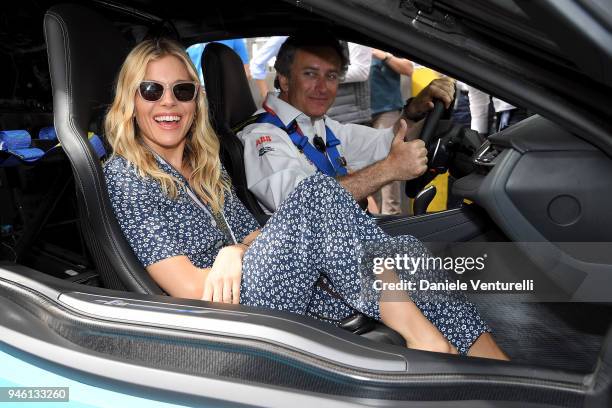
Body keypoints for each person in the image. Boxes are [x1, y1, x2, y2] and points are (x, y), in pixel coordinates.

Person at [103, 37, 508, 360]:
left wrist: (232, 252)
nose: (168, 102)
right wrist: (233, 256)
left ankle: (495, 368)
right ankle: (426, 341)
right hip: (224, 312)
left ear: (196, 100)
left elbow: (254, 236)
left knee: (405, 253)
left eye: (183, 90)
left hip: (259, 280)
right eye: (151, 90)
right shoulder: (127, 175)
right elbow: (189, 289)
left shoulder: (205, 164)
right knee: (316, 192)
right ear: (131, 100)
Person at [238, 32, 454, 214]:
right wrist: (389, 170)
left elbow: (385, 143)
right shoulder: (263, 135)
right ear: (285, 79)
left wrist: (413, 111)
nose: (322, 87)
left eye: (331, 76)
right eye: (311, 74)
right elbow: (299, 205)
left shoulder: (320, 125)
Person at [368, 48, 414, 215]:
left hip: (386, 111)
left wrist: (385, 56)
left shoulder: (382, 41)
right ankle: (373, 217)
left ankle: (391, 215)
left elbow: (409, 68)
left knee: (388, 160)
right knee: (367, 166)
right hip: (360, 115)